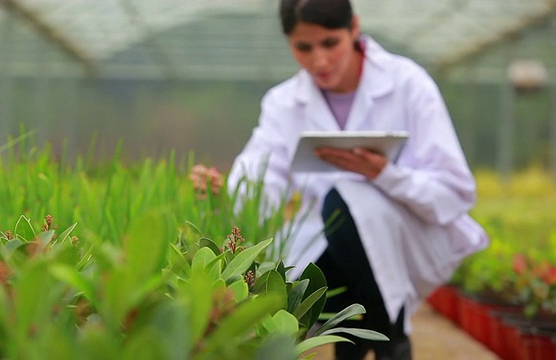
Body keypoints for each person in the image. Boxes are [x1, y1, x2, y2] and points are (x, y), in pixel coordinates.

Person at [193, 0, 489, 359]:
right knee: (316, 258)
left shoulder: (407, 84)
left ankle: (381, 337)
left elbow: (455, 192)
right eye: (304, 47)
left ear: (354, 29)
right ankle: (385, 339)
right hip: (332, 245)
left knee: (344, 203)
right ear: (289, 42)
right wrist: (225, 189)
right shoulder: (283, 103)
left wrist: (384, 175)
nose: (319, 61)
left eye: (330, 43)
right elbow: (260, 176)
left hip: (406, 230)